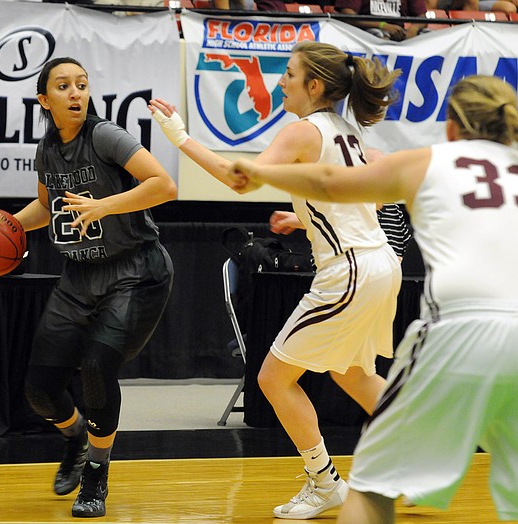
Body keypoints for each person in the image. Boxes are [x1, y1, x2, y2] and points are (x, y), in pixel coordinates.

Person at [228, 74, 518, 524]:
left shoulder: (428, 161)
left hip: (458, 331)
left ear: (452, 128)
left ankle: (339, 481)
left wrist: (261, 170)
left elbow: (328, 181)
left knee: (368, 496)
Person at [149, 41, 402, 519]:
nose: (280, 82)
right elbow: (359, 201)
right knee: (352, 372)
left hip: (348, 271)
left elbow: (238, 179)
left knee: (273, 378)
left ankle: (324, 482)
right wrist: (305, 220)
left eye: (288, 74)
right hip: (379, 263)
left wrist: (180, 137)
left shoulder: (304, 130)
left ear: (314, 86)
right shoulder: (346, 130)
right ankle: (426, 457)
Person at [14, 56, 176, 519]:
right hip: (79, 277)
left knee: (96, 368)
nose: (75, 93)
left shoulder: (105, 135)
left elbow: (163, 185)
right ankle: (76, 438)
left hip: (135, 270)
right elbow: (46, 210)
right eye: (63, 86)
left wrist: (103, 206)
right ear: (44, 100)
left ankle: (97, 473)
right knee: (40, 390)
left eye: (81, 85)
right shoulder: (46, 150)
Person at [334, 0, 428, 41]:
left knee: (429, 35)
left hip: (399, 33)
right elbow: (348, 16)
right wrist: (382, 25)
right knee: (378, 34)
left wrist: (413, 29)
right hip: (366, 31)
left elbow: (422, 17)